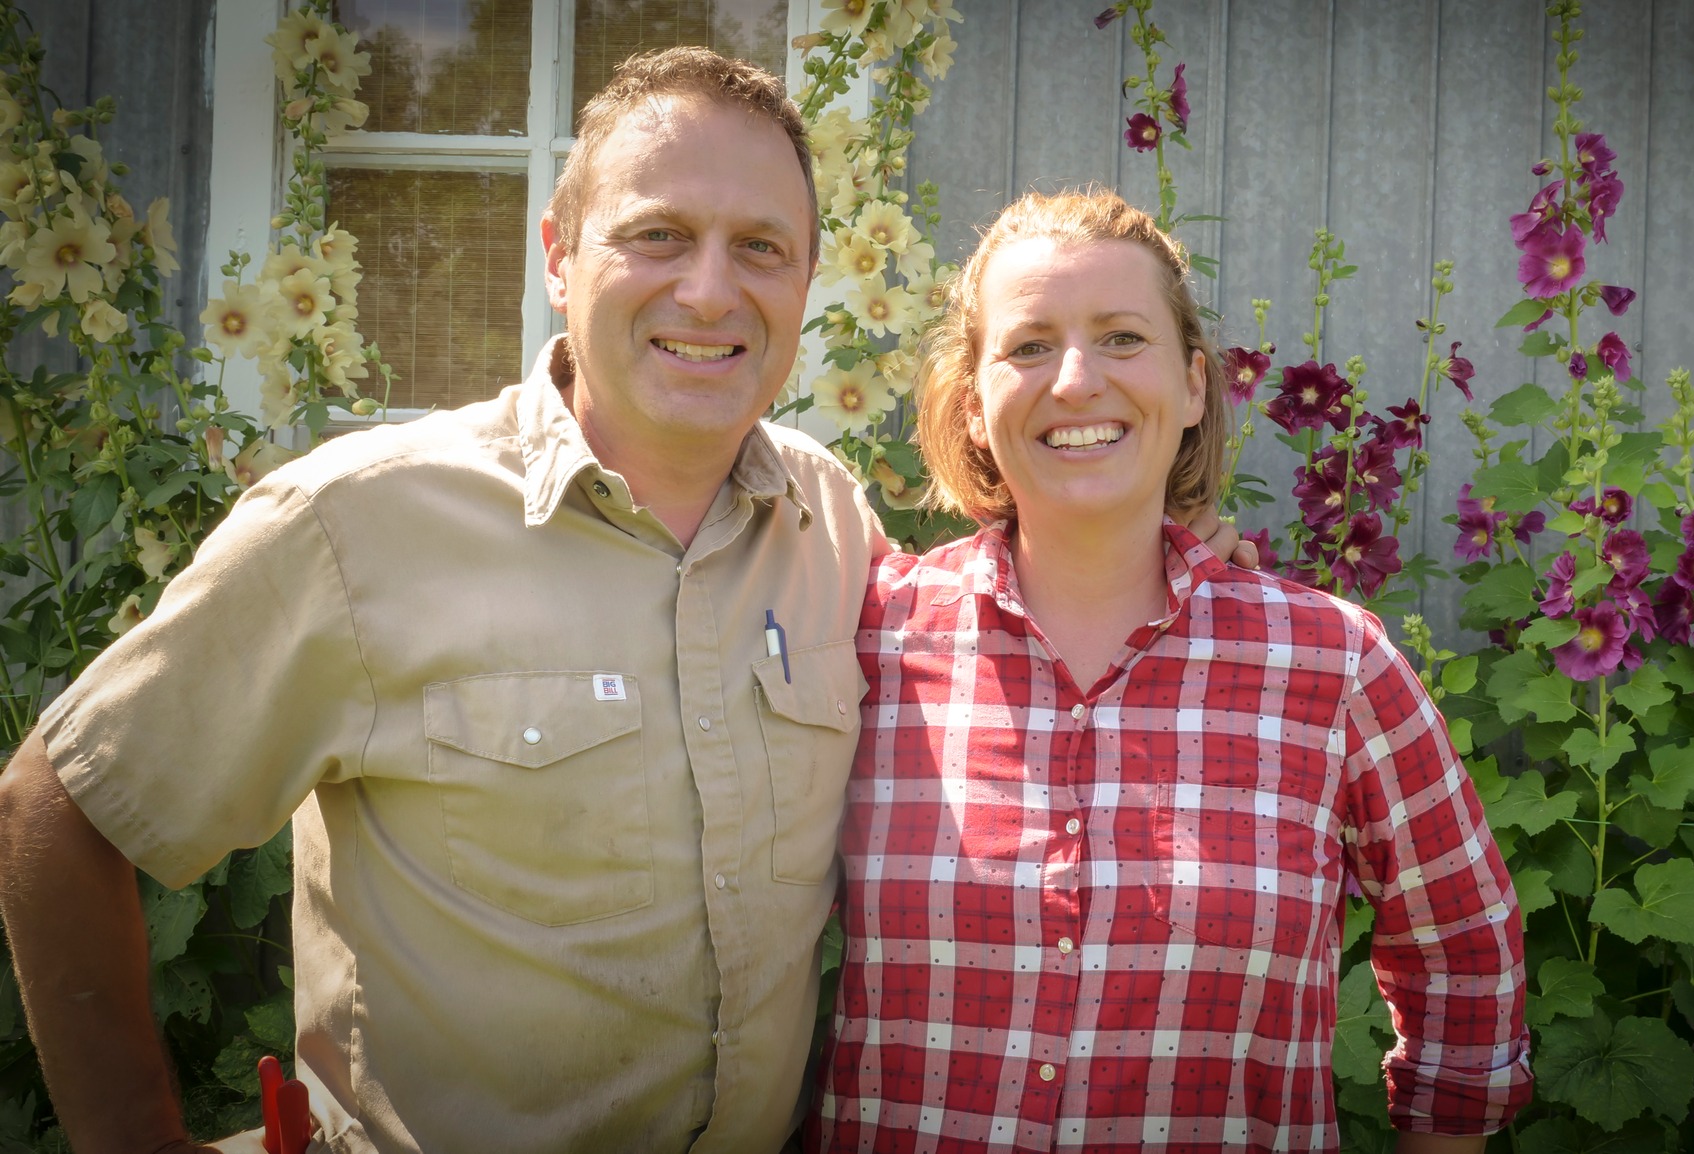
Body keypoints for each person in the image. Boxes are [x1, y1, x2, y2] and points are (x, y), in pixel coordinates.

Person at [0, 48, 878, 1153]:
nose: (709, 290)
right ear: (558, 256)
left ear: (806, 277)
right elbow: (60, 807)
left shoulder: (830, 523)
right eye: (657, 234)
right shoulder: (354, 522)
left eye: (761, 246)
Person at [810, 190, 1532, 1152]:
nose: (1076, 381)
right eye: (1029, 346)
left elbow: (1464, 956)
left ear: (1193, 387)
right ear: (972, 405)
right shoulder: (869, 642)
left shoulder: (1332, 666)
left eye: (1121, 338)